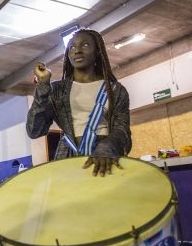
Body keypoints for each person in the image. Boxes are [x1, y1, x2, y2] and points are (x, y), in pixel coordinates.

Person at [27, 29, 132, 176]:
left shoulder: (115, 90)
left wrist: (107, 147)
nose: (77, 51)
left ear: (97, 51)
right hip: (68, 159)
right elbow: (34, 130)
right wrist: (43, 87)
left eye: (86, 45)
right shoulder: (57, 90)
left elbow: (122, 130)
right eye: (72, 47)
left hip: (105, 158)